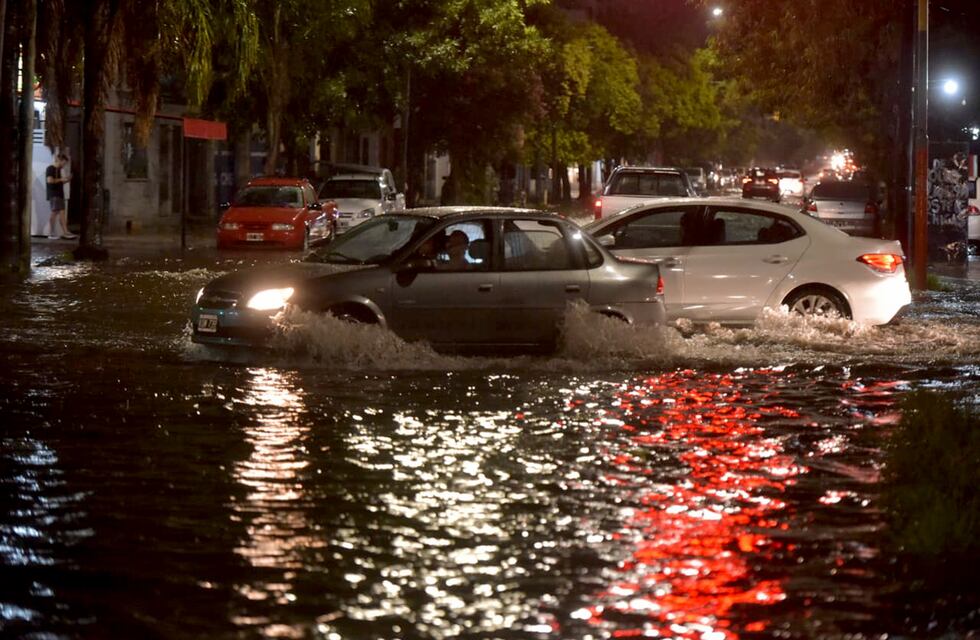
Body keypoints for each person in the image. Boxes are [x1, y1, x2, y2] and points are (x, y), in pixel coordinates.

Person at [46, 153, 76, 239]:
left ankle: (65, 232)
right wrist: (61, 179)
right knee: (54, 212)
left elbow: (58, 182)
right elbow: (50, 181)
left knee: (62, 214)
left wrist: (67, 180)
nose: (64, 165)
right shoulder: (50, 168)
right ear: (59, 160)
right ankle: (51, 233)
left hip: (59, 194)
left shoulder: (58, 170)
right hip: (54, 194)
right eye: (64, 163)